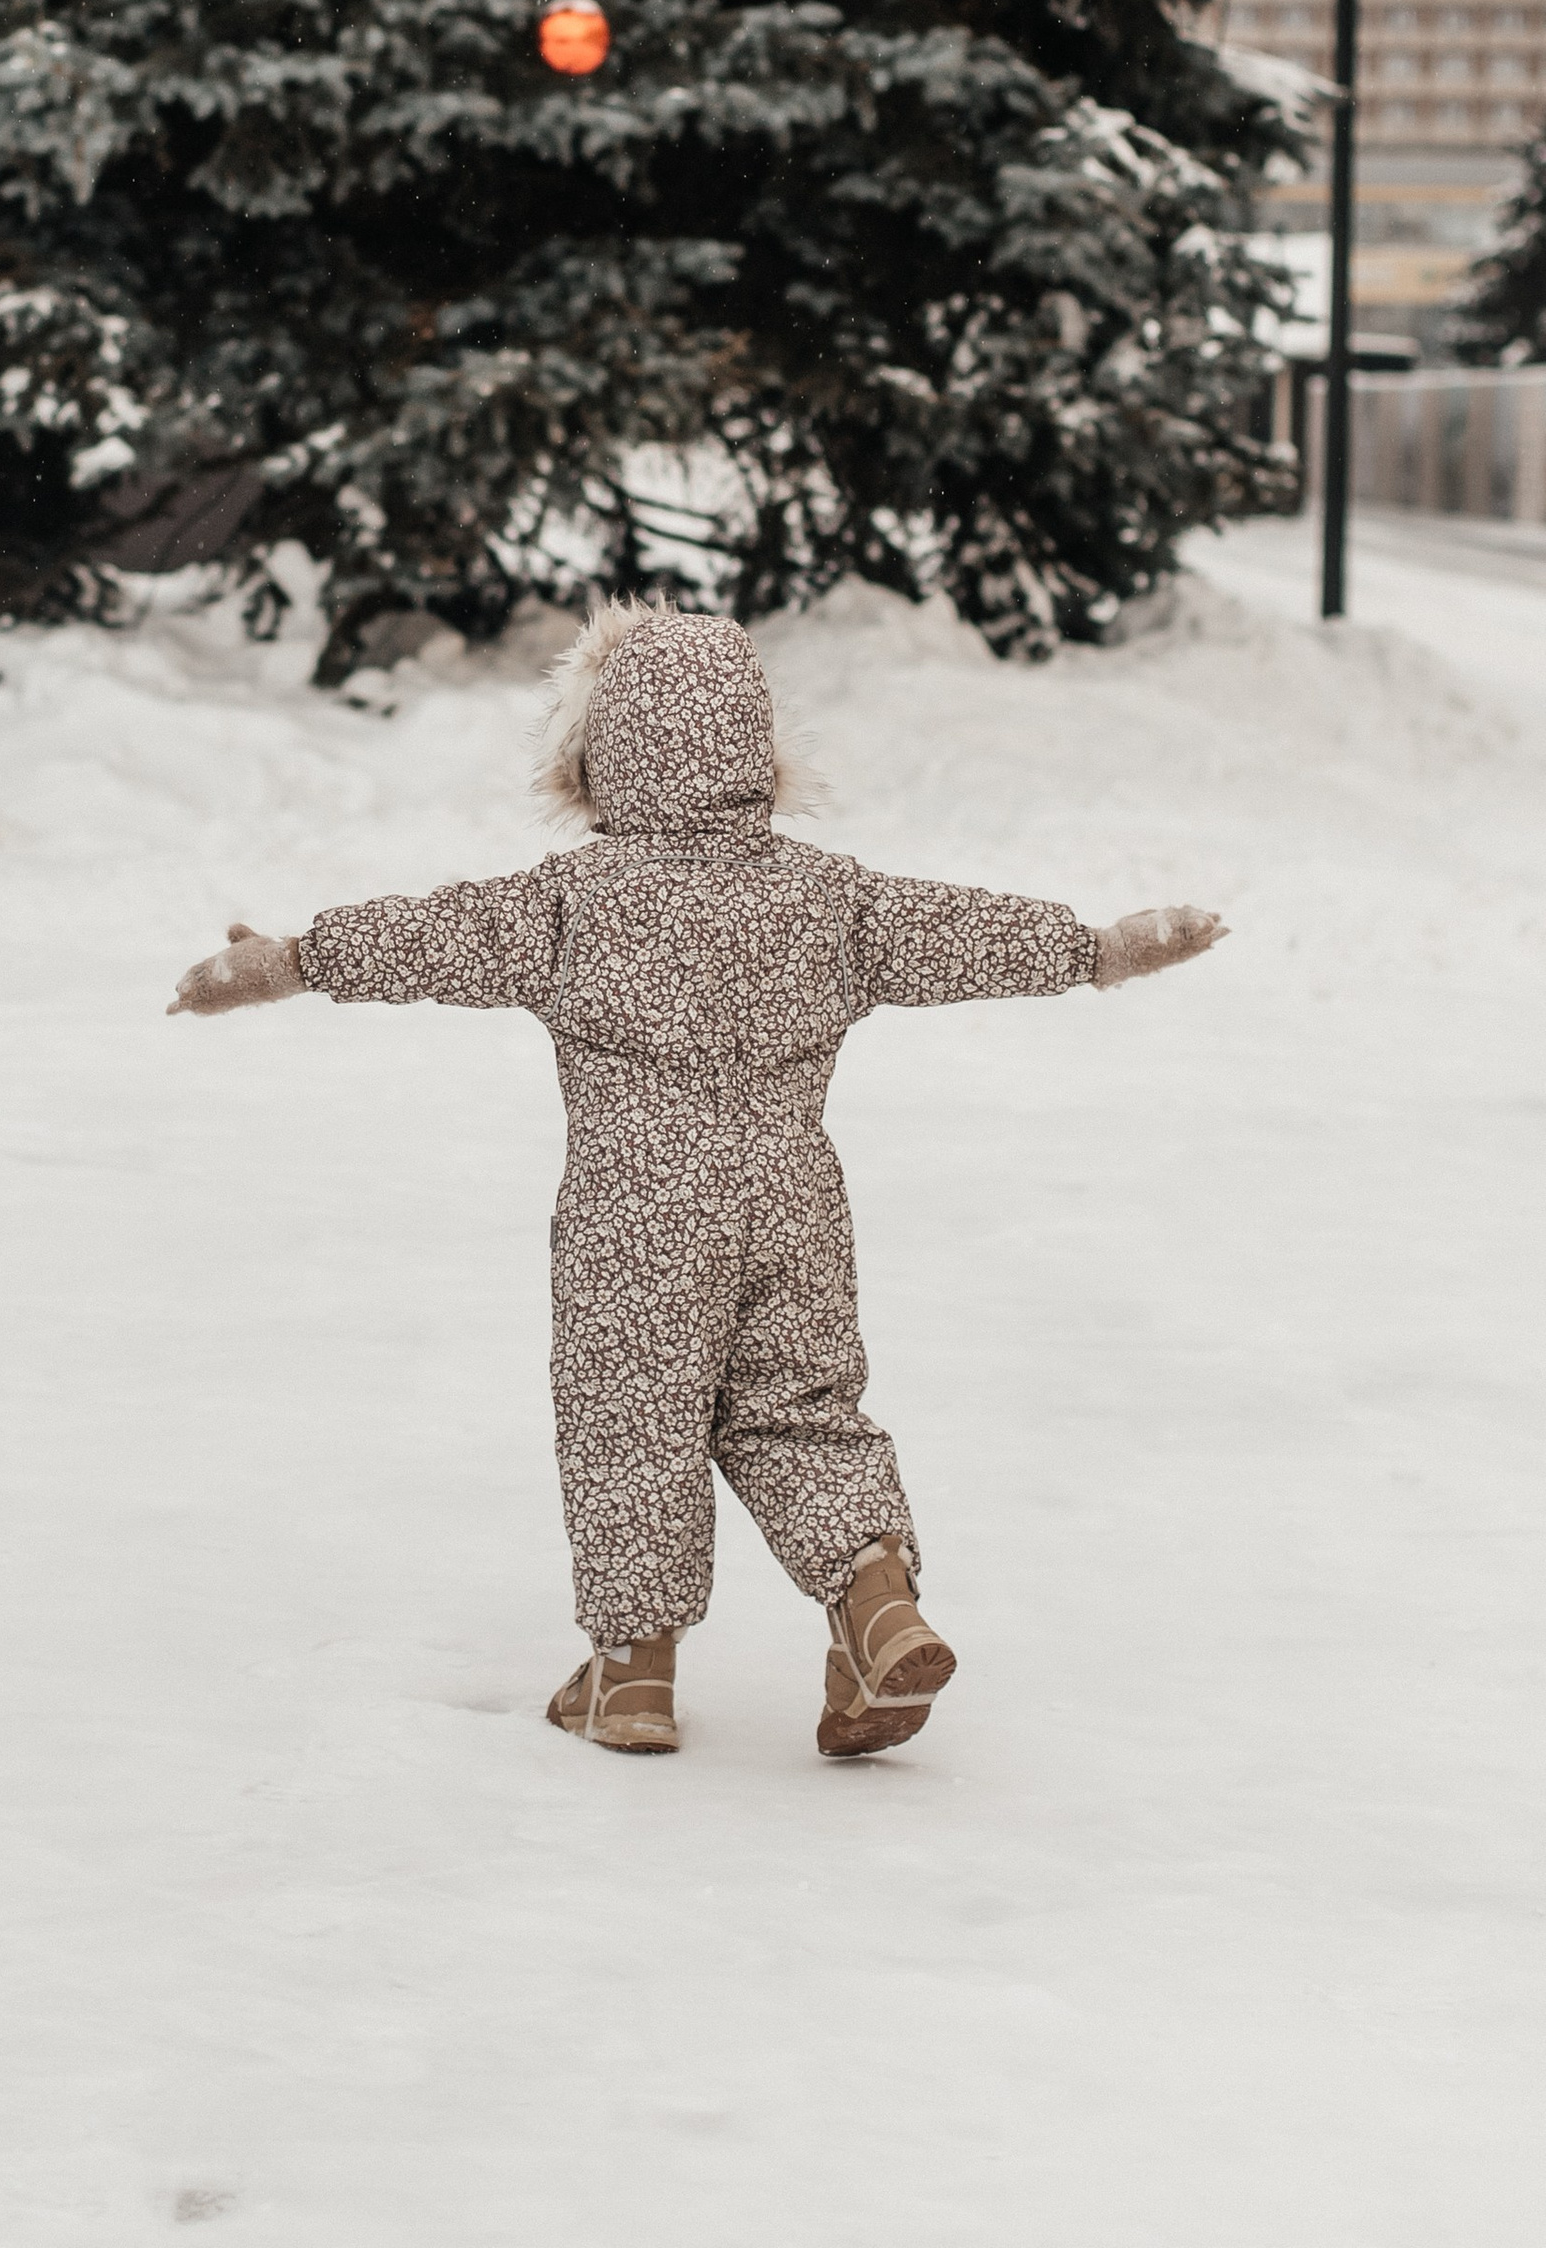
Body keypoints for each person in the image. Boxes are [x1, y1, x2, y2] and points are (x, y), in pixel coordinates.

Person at [168, 598, 1224, 1761]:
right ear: (754, 753)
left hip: (634, 1219)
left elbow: (425, 935)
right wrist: (1096, 950)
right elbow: (955, 929)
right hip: (791, 1206)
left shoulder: (568, 902)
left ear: (597, 756)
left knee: (632, 1423)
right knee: (802, 1411)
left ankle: (631, 1675)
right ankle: (876, 1601)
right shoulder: (830, 897)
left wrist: (281, 961)